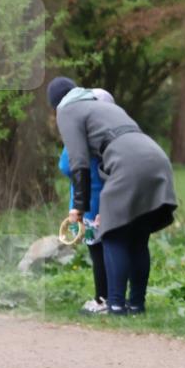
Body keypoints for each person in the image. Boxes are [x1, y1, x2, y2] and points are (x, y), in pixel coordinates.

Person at [48, 77, 177, 316]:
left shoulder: (66, 109)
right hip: (156, 157)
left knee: (111, 232)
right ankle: (136, 305)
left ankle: (114, 305)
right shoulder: (104, 105)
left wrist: (78, 208)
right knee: (138, 236)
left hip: (128, 164)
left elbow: (78, 162)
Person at [58, 88, 114, 315]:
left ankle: (102, 299)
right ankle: (117, 297)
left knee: (96, 251)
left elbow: (65, 165)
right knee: (112, 249)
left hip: (88, 206)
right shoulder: (109, 136)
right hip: (109, 198)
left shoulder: (81, 136)